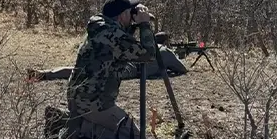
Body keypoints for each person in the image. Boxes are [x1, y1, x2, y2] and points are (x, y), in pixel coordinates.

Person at [62, 0, 157, 139]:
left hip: (78, 97)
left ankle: (76, 121)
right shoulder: (113, 35)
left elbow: (121, 43)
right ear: (122, 15)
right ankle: (82, 128)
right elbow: (148, 55)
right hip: (95, 103)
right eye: (130, 12)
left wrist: (134, 25)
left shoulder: (100, 27)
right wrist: (145, 25)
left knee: (121, 131)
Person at [28, 32, 188, 81]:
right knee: (88, 73)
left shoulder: (142, 45)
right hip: (129, 70)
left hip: (118, 59)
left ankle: (45, 73)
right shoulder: (165, 52)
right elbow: (182, 69)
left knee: (79, 70)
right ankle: (43, 75)